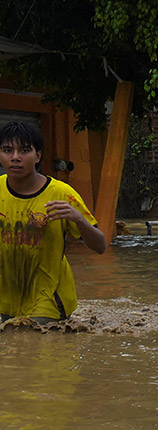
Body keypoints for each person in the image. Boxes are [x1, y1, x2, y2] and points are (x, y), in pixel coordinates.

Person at [0, 121, 107, 323]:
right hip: (6, 297)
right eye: (7, 150)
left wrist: (78, 219)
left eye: (24, 150)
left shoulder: (62, 194)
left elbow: (101, 246)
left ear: (38, 155)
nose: (15, 157)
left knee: (39, 345)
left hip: (49, 297)